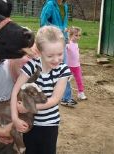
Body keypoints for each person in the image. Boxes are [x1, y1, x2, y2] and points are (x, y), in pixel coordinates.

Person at [11, 26, 72, 154]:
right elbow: (15, 90)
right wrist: (15, 118)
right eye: (50, 56)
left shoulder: (63, 70)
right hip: (29, 123)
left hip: (49, 125)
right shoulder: (32, 65)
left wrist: (29, 107)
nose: (56, 60)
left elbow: (54, 99)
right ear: (39, 52)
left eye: (60, 54)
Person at [40, 0, 77, 107]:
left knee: (62, 68)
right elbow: (43, 22)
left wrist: (65, 35)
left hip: (61, 40)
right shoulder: (50, 4)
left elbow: (63, 22)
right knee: (48, 68)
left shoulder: (64, 5)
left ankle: (66, 97)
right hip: (50, 40)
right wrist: (60, 29)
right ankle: (46, 94)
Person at [66, 26, 87, 100]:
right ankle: (62, 93)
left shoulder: (76, 44)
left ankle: (81, 93)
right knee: (65, 80)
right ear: (71, 35)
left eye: (79, 35)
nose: (78, 37)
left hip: (77, 66)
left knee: (79, 79)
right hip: (68, 66)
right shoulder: (68, 44)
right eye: (76, 35)